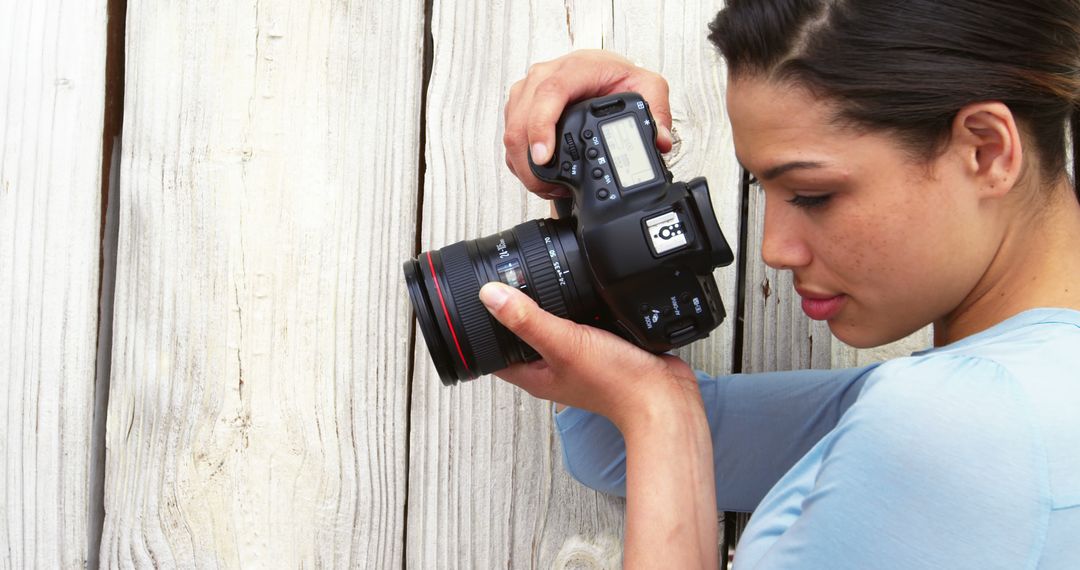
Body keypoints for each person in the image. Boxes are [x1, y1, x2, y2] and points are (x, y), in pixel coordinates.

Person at [480, 1, 1080, 568]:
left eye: (813, 194)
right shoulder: (1019, 393)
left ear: (986, 151)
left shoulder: (958, 422)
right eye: (763, 192)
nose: (773, 250)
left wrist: (660, 414)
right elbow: (616, 444)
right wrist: (597, 196)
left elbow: (663, 422)